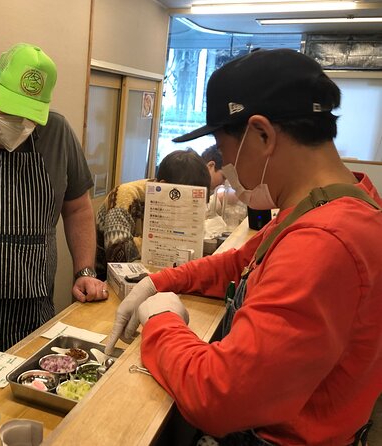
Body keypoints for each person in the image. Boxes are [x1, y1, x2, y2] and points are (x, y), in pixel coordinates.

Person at [105, 49, 382, 445]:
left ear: (263, 134)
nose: (225, 163)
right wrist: (161, 281)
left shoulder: (324, 243)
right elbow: (240, 265)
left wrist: (161, 322)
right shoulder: (338, 203)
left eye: (224, 145)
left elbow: (218, 395)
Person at [0, 43, 107, 383]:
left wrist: (85, 270)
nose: (19, 123)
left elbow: (77, 207)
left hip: (32, 309)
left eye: (29, 115)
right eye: (11, 111)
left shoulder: (57, 133)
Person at [94, 149, 211, 278]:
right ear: (164, 187)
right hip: (105, 281)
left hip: (154, 276)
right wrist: (167, 244)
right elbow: (118, 254)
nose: (188, 210)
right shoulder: (125, 195)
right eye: (185, 201)